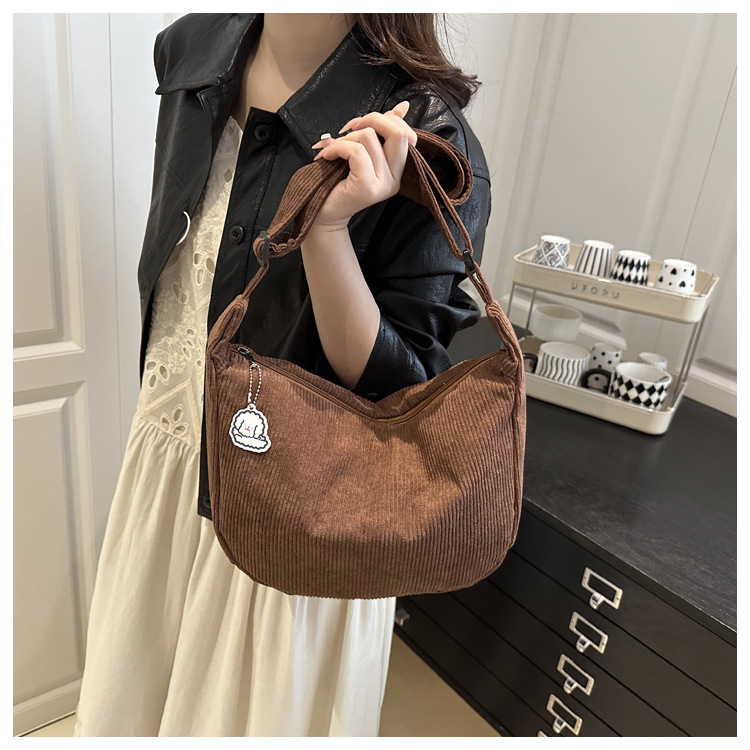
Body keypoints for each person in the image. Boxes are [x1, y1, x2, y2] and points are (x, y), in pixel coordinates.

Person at [73, 12, 491, 737]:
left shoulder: (424, 132)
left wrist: (326, 232)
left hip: (294, 525)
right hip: (167, 466)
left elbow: (404, 393)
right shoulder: (192, 52)